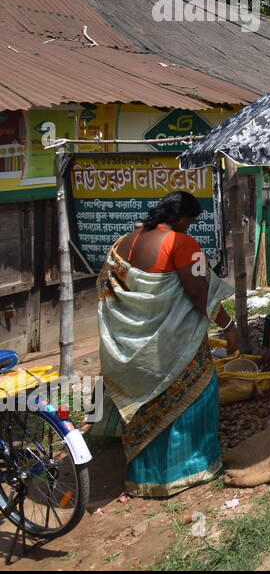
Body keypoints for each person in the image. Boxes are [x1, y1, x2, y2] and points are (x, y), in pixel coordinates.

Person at [97, 191, 234, 497]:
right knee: (198, 391)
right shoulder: (181, 243)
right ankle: (188, 471)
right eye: (191, 221)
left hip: (130, 350)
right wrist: (229, 326)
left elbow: (112, 290)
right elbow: (200, 293)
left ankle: (142, 478)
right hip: (171, 348)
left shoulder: (122, 242)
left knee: (145, 407)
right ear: (182, 218)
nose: (190, 227)